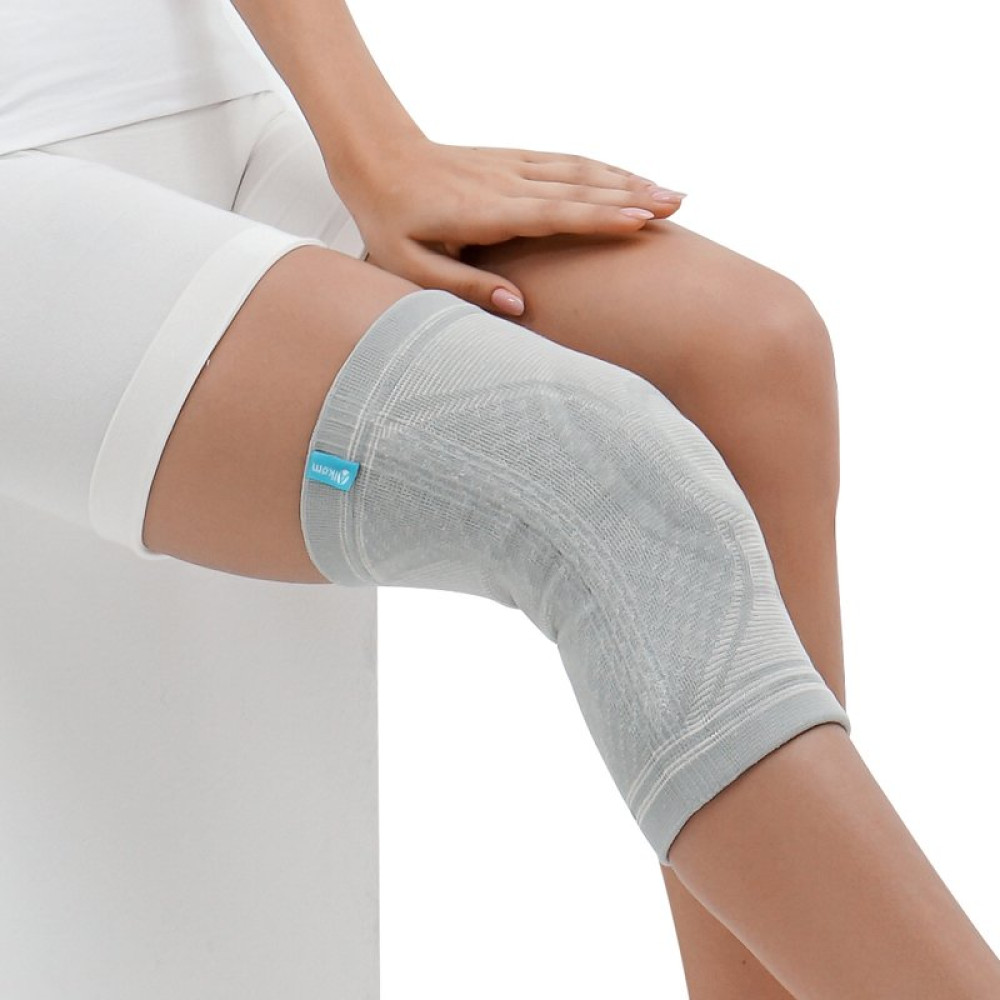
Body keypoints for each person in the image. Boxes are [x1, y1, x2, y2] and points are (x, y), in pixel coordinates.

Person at [1, 3, 997, 999]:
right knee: (594, 483)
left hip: (201, 84)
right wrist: (377, 147)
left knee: (746, 355)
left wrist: (369, 141)